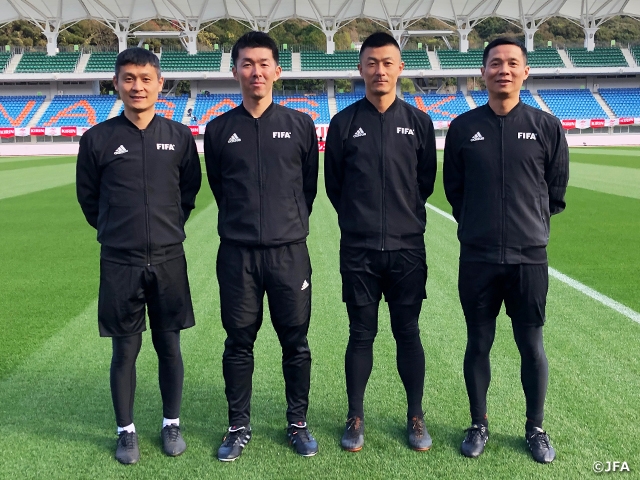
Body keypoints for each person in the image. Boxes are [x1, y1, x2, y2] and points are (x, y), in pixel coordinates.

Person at [443, 37, 569, 463]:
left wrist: (527, 226)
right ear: (483, 72)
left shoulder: (546, 126)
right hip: (477, 257)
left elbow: (554, 190)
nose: (504, 70)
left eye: (512, 63)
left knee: (531, 345)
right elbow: (454, 192)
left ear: (525, 71)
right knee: (478, 342)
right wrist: (481, 225)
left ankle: (535, 427)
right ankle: (478, 423)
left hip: (528, 257)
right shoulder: (462, 128)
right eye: (495, 63)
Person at [76, 47, 202, 465]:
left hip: (168, 258)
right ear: (116, 83)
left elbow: (188, 195)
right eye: (129, 78)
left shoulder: (180, 136)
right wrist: (120, 232)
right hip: (120, 261)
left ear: (160, 83)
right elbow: (89, 200)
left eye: (146, 78)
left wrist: (162, 230)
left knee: (170, 347)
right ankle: (125, 431)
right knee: (124, 351)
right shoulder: (97, 139)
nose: (137, 86)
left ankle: (171, 423)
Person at [204, 31, 319, 461]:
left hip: (290, 253)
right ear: (235, 70)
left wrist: (285, 223)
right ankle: (237, 426)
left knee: (296, 342)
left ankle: (298, 423)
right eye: (247, 63)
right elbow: (219, 187)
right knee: (238, 342)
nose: (256, 71)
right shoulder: (218, 130)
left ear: (277, 70)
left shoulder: (300, 125)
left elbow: (307, 188)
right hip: (237, 255)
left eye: (263, 63)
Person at [324, 32, 437, 452]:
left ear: (400, 67)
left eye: (388, 63)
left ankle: (415, 414)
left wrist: (402, 219)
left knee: (408, 333)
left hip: (408, 249)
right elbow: (334, 186)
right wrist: (361, 223)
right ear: (361, 68)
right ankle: (355, 416)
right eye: (372, 63)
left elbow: (424, 182)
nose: (380, 70)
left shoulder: (419, 122)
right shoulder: (344, 123)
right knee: (360, 334)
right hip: (360, 250)